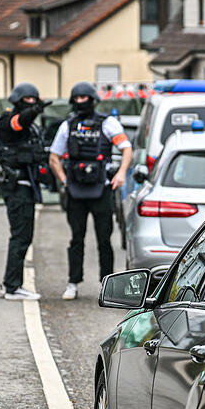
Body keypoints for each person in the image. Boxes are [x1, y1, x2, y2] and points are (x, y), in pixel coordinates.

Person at [48, 81, 133, 300]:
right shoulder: (67, 126)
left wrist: (121, 174)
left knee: (105, 240)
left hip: (101, 190)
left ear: (92, 99)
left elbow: (126, 148)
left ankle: (107, 285)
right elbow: (53, 158)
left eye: (83, 98)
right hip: (75, 191)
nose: (80, 102)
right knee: (76, 239)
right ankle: (73, 283)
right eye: (76, 98)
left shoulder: (108, 123)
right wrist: (65, 181)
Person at [0, 82, 50, 300]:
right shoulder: (8, 122)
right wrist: (34, 111)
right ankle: (12, 287)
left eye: (34, 100)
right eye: (28, 100)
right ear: (18, 101)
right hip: (17, 187)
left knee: (23, 236)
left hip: (24, 186)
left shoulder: (28, 127)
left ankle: (11, 284)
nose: (32, 103)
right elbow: (18, 123)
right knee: (21, 236)